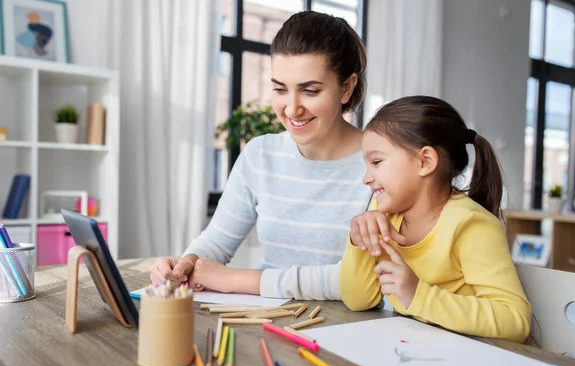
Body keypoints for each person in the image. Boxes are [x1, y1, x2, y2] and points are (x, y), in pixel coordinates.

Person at [150, 11, 371, 300]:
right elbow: (217, 242)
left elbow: (362, 279)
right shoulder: (260, 154)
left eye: (310, 91)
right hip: (264, 319)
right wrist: (186, 263)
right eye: (280, 89)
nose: (291, 109)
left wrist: (238, 280)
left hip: (346, 330)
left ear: (346, 88)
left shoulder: (380, 165)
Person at [339, 96, 532, 342]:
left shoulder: (470, 224)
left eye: (376, 162)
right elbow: (358, 301)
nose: (366, 178)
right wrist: (359, 242)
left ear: (425, 162)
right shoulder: (385, 215)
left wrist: (418, 294)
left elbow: (515, 320)